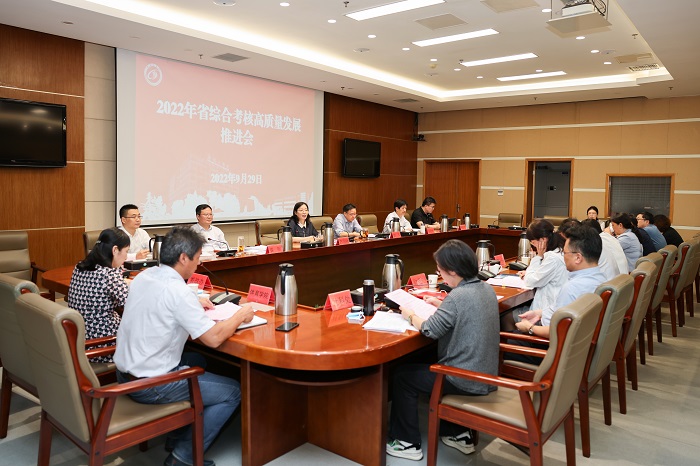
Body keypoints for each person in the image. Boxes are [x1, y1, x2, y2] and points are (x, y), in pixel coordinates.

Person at [114, 227, 254, 466]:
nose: (199, 264)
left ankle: (178, 434)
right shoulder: (178, 292)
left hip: (124, 373)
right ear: (183, 258)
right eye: (198, 258)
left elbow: (162, 305)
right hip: (150, 384)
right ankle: (183, 457)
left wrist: (194, 302)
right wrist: (240, 315)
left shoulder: (145, 276)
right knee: (233, 392)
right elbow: (213, 339)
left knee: (199, 360)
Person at [386, 240, 499, 461]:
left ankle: (406, 442)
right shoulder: (486, 288)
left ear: (453, 271)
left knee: (402, 376)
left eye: (440, 270)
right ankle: (458, 433)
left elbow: (429, 329)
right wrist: (441, 306)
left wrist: (409, 314)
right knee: (431, 360)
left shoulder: (457, 297)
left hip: (464, 379)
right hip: (486, 373)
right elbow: (464, 313)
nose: (440, 274)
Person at [510, 225, 607, 364]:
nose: (563, 257)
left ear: (578, 258)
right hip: (573, 343)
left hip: (552, 347)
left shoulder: (572, 288)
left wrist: (530, 328)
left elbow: (558, 331)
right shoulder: (601, 278)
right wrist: (539, 313)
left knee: (502, 341)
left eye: (565, 253)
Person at [67, 227, 130, 363]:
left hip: (79, 339)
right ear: (115, 250)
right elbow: (132, 305)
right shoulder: (108, 275)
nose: (126, 257)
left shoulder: (79, 267)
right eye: (126, 251)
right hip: (103, 343)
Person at [501, 219, 567, 332]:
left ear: (543, 240)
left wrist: (538, 257)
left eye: (532, 242)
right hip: (553, 308)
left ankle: (519, 341)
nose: (533, 245)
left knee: (505, 317)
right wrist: (530, 272)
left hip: (547, 314)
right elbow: (542, 274)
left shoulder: (552, 258)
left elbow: (531, 281)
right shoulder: (559, 250)